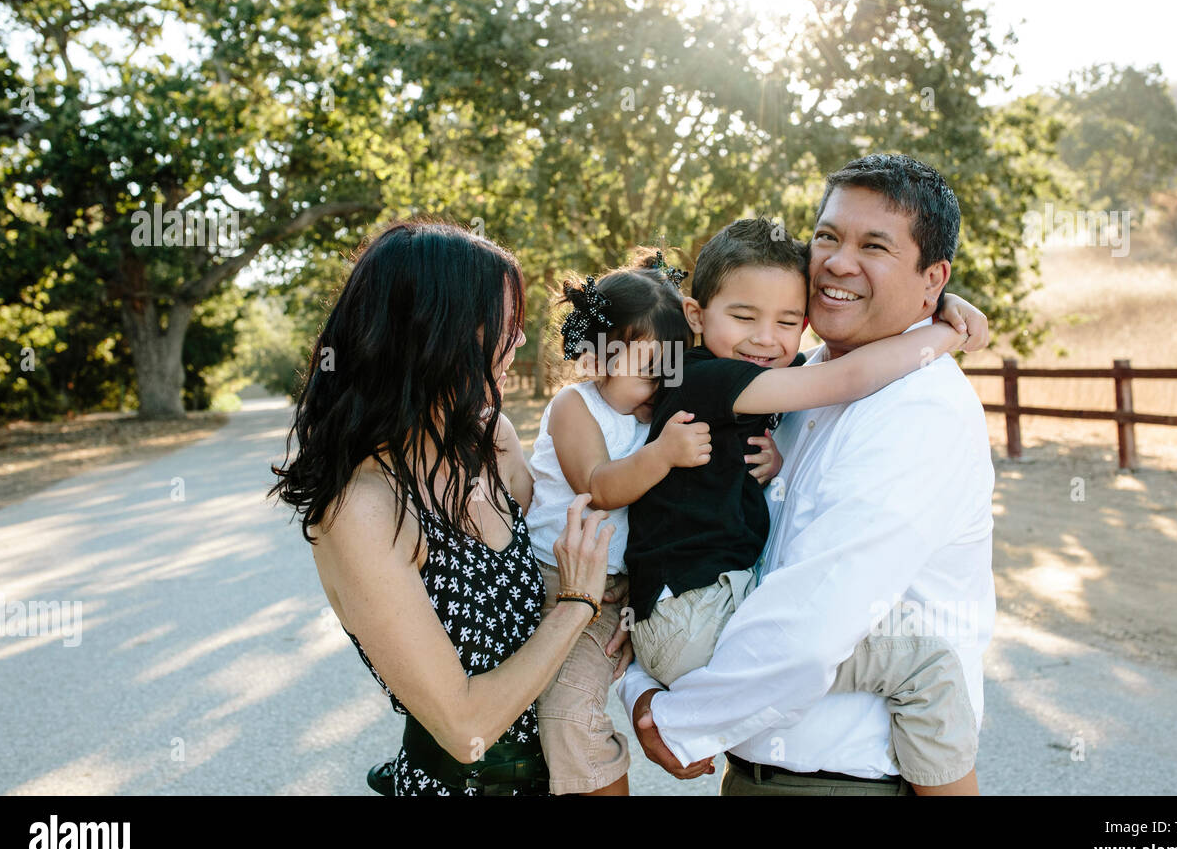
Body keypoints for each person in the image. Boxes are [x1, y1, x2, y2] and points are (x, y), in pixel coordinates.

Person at [620, 153, 998, 796]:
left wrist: (675, 718)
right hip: (756, 773)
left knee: (924, 672)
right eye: (827, 237)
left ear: (933, 277)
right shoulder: (792, 378)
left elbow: (811, 627)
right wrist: (641, 679)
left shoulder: (918, 409)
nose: (838, 262)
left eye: (873, 245)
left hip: (845, 783)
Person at [269, 219, 615, 796]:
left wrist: (611, 623)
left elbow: (554, 563)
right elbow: (465, 726)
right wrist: (579, 606)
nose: (521, 341)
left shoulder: (493, 440)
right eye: (507, 324)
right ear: (442, 334)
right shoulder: (362, 508)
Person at [523, 249, 710, 795]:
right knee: (546, 716)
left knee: (570, 713)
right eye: (650, 372)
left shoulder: (648, 414)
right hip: (554, 585)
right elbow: (600, 487)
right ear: (600, 358)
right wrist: (665, 454)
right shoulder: (574, 406)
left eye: (671, 370)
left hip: (613, 592)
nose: (661, 386)